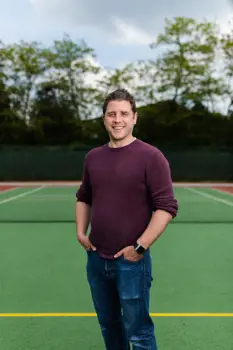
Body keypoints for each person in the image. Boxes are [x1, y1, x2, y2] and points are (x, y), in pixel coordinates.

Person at [75, 88, 178, 350]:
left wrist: (139, 248)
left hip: (131, 263)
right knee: (109, 325)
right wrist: (80, 233)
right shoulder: (93, 157)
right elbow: (84, 196)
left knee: (139, 333)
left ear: (135, 118)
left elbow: (166, 207)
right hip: (97, 259)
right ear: (104, 118)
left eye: (123, 114)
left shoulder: (151, 157)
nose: (117, 119)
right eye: (112, 114)